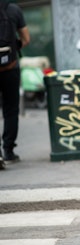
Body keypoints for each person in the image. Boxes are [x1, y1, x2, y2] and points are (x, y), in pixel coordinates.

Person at [0, 1, 30, 165]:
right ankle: (9, 152)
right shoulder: (13, 9)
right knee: (10, 110)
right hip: (10, 68)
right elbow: (26, 39)